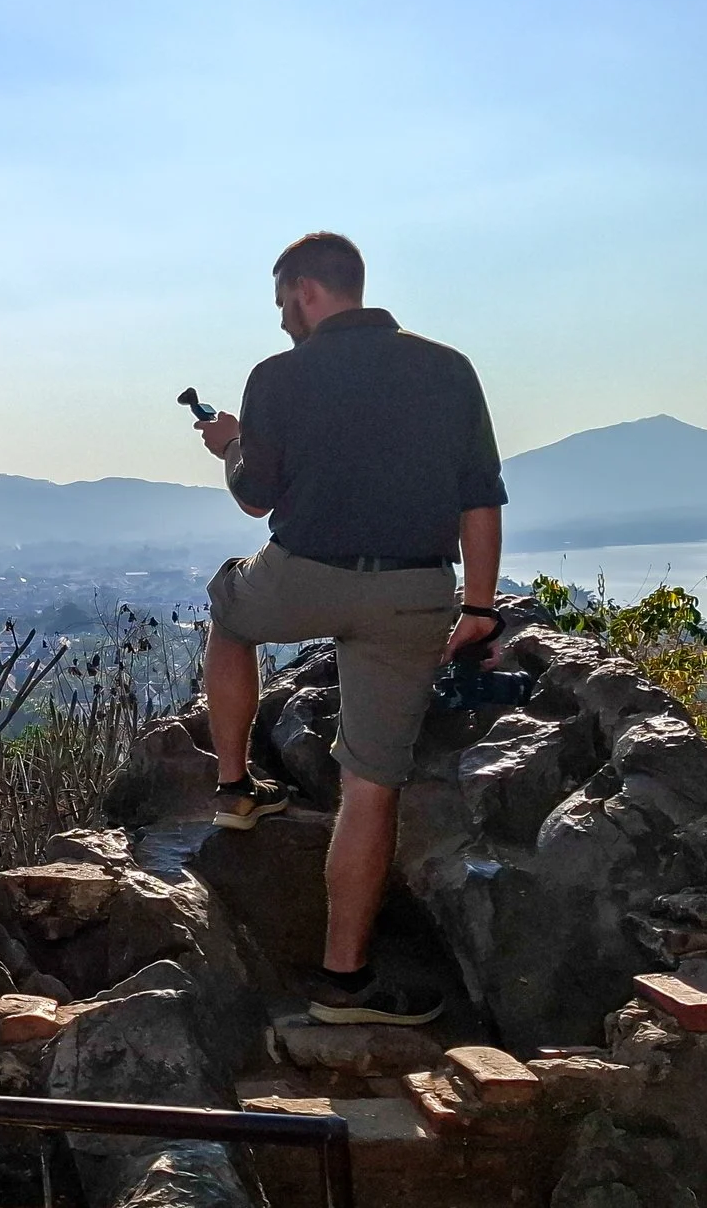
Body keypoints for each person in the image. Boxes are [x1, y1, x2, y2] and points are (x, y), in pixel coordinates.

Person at [192, 231, 506, 1027]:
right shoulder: (448, 368)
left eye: (281, 305)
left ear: (305, 291)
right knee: (371, 783)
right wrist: (478, 607)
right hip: (414, 592)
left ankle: (233, 789)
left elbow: (255, 499)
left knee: (229, 612)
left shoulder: (278, 377)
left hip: (302, 575)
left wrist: (230, 444)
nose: (282, 322)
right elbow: (480, 499)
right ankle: (344, 983)